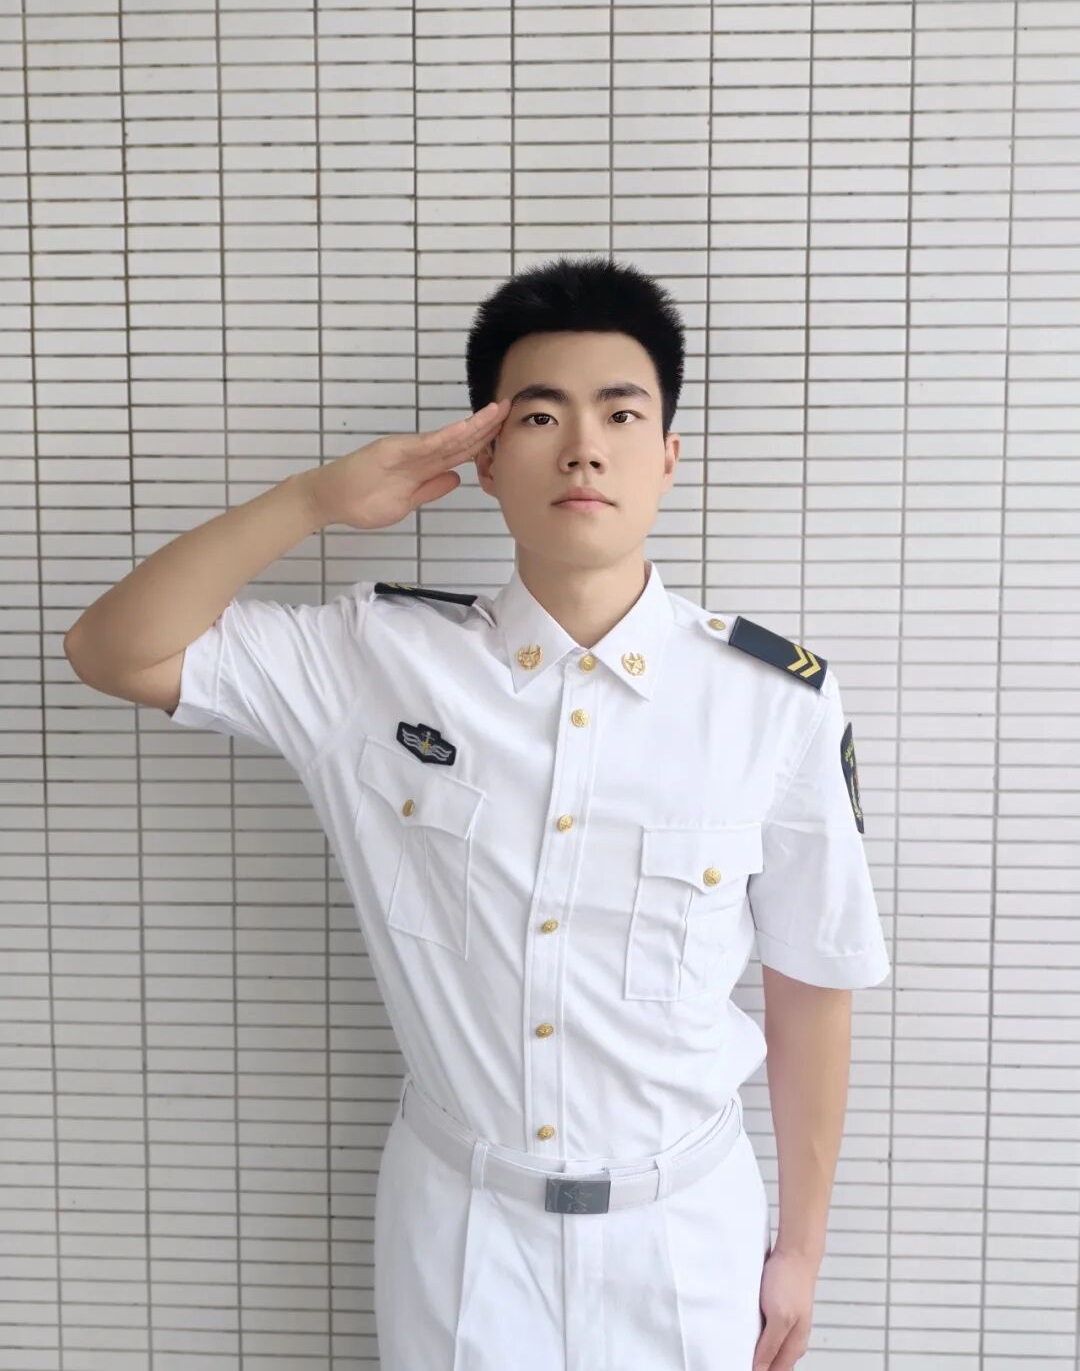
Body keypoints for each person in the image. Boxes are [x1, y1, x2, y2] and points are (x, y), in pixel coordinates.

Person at [64, 255, 890, 1371]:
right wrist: (314, 501)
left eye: (621, 414)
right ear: (487, 458)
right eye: (541, 415)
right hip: (459, 1230)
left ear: (668, 455)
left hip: (688, 1233)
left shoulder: (773, 702)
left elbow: (813, 981)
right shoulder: (374, 660)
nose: (584, 448)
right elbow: (111, 650)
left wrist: (803, 1248)